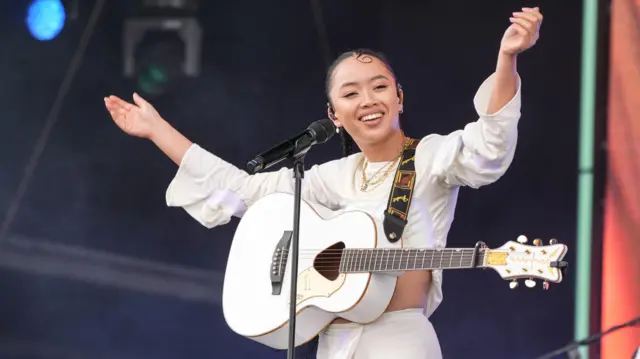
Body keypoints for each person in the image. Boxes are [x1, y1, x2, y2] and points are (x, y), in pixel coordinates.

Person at [104, 7, 543, 359]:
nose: (368, 101)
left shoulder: (430, 157)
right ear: (333, 114)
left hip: (400, 340)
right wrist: (157, 129)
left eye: (379, 88)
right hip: (333, 341)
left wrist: (507, 59)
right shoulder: (330, 178)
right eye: (350, 94)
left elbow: (489, 148)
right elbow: (242, 191)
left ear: (399, 97)